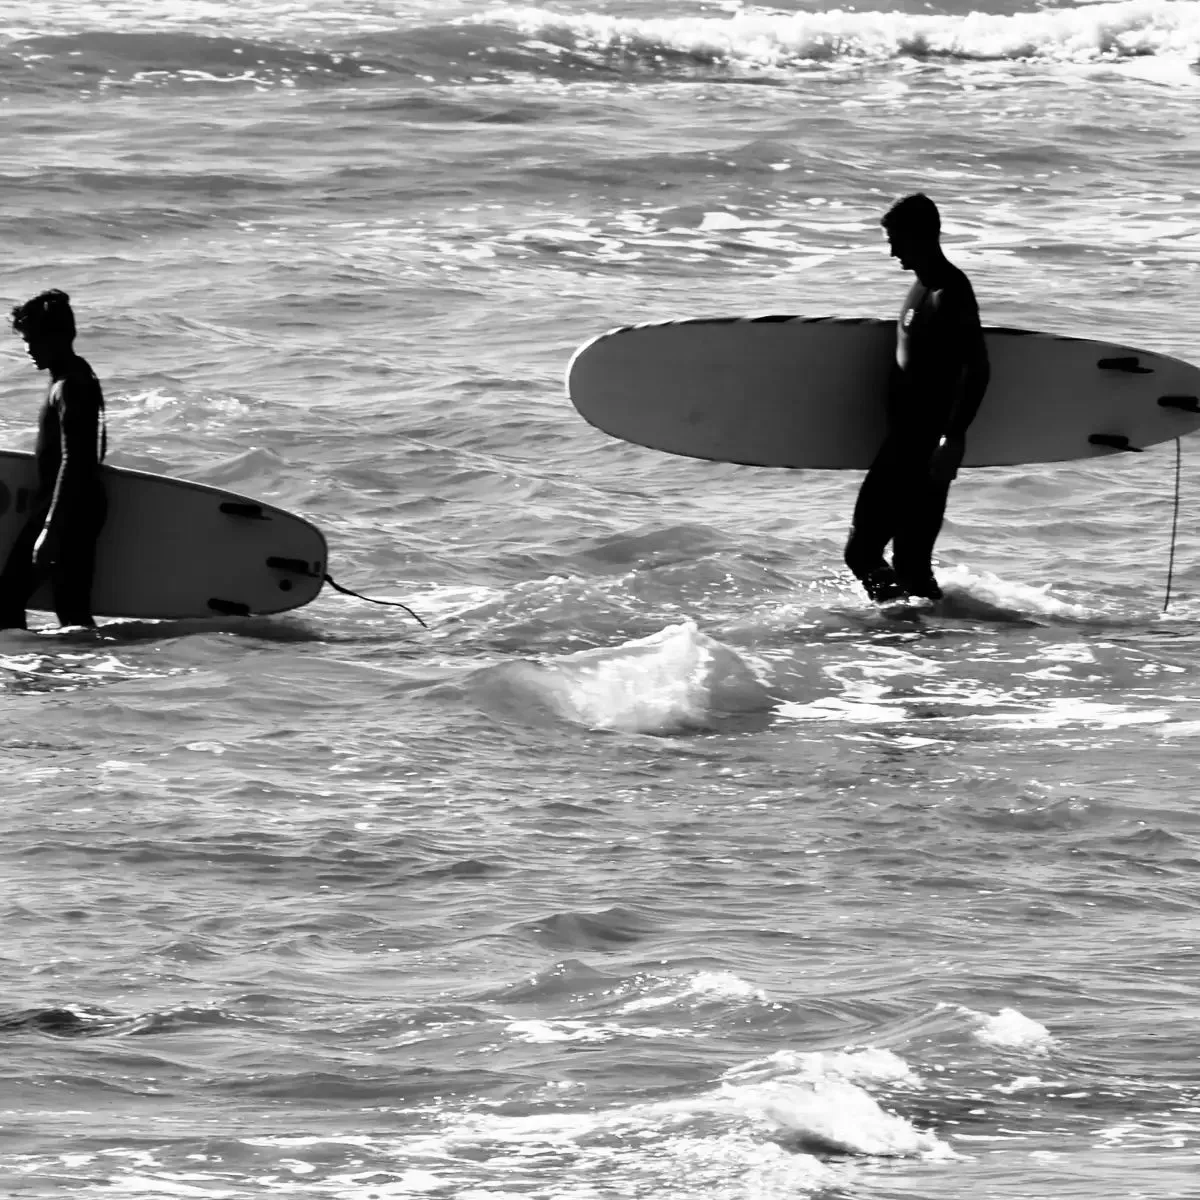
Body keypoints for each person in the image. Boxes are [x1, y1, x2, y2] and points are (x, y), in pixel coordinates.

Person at [844, 193, 990, 603]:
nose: (891, 251)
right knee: (910, 563)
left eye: (897, 240)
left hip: (921, 447)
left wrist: (952, 438)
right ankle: (923, 641)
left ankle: (898, 631)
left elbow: (977, 369)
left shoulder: (950, 293)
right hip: (907, 441)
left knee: (863, 553)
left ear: (922, 235)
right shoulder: (922, 286)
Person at [0, 289, 107, 629]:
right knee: (71, 609)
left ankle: (29, 677)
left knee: (5, 603)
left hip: (66, 510)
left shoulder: (71, 386)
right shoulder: (76, 376)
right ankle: (82, 673)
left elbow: (76, 461)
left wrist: (50, 528)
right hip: (78, 507)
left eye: (34, 339)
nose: (28, 347)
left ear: (59, 337)